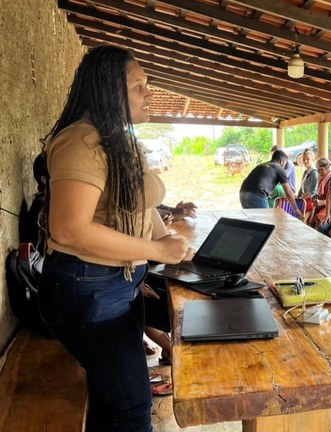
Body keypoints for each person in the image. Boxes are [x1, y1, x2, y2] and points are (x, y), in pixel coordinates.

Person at [37, 45, 189, 431]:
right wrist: (157, 250)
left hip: (118, 287)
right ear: (109, 89)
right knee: (132, 409)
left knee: (113, 400)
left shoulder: (117, 140)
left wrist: (172, 243)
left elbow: (140, 207)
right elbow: (70, 229)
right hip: (87, 293)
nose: (149, 94)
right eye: (139, 86)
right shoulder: (80, 142)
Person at [239, 150, 301, 215]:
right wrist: (296, 209)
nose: (284, 166)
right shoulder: (279, 168)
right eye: (285, 163)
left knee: (251, 222)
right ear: (281, 161)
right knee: (266, 222)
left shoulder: (262, 165)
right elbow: (288, 192)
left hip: (242, 193)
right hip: (256, 195)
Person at [308, 157, 331, 227]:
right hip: (322, 205)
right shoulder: (324, 178)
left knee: (318, 219)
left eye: (318, 170)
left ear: (322, 169)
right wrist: (314, 198)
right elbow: (319, 194)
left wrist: (321, 202)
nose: (318, 172)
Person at [297, 148, 319, 216]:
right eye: (304, 159)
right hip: (304, 199)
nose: (305, 161)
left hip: (310, 200)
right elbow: (301, 188)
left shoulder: (314, 173)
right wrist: (297, 198)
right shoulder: (306, 172)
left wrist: (299, 200)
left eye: (307, 159)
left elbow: (311, 192)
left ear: (313, 160)